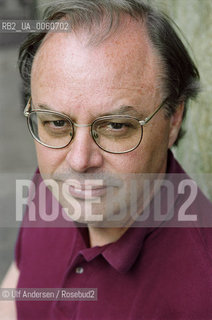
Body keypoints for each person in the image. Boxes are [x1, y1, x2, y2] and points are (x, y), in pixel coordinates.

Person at [1, 0, 212, 319]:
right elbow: (20, 276)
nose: (78, 160)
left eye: (116, 126)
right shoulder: (54, 177)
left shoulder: (202, 292)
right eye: (57, 122)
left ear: (174, 119)